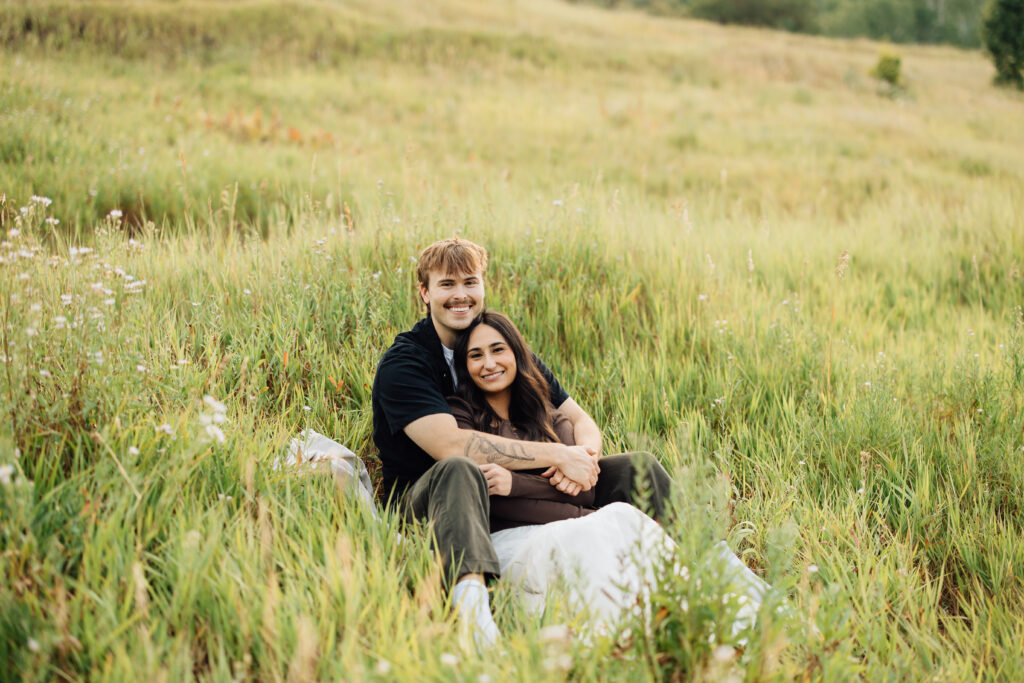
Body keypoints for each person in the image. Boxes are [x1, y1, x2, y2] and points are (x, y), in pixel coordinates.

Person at [371, 237, 671, 648]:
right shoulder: (407, 362)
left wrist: (583, 460)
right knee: (459, 470)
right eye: (446, 285)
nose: (460, 295)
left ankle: (702, 563)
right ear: (424, 292)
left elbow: (579, 419)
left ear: (483, 286)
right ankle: (473, 617)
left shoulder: (498, 345)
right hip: (430, 499)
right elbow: (452, 448)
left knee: (638, 467)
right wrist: (558, 455)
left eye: (470, 282)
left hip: (507, 489)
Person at [446, 311, 770, 638]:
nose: (488, 363)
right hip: (515, 539)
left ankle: (709, 613)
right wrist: (547, 481)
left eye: (497, 350)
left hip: (575, 521)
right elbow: (491, 496)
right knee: (592, 531)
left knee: (623, 519)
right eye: (476, 355)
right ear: (465, 365)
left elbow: (586, 489)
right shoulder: (462, 415)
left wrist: (515, 482)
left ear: (517, 353)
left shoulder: (548, 415)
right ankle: (617, 638)